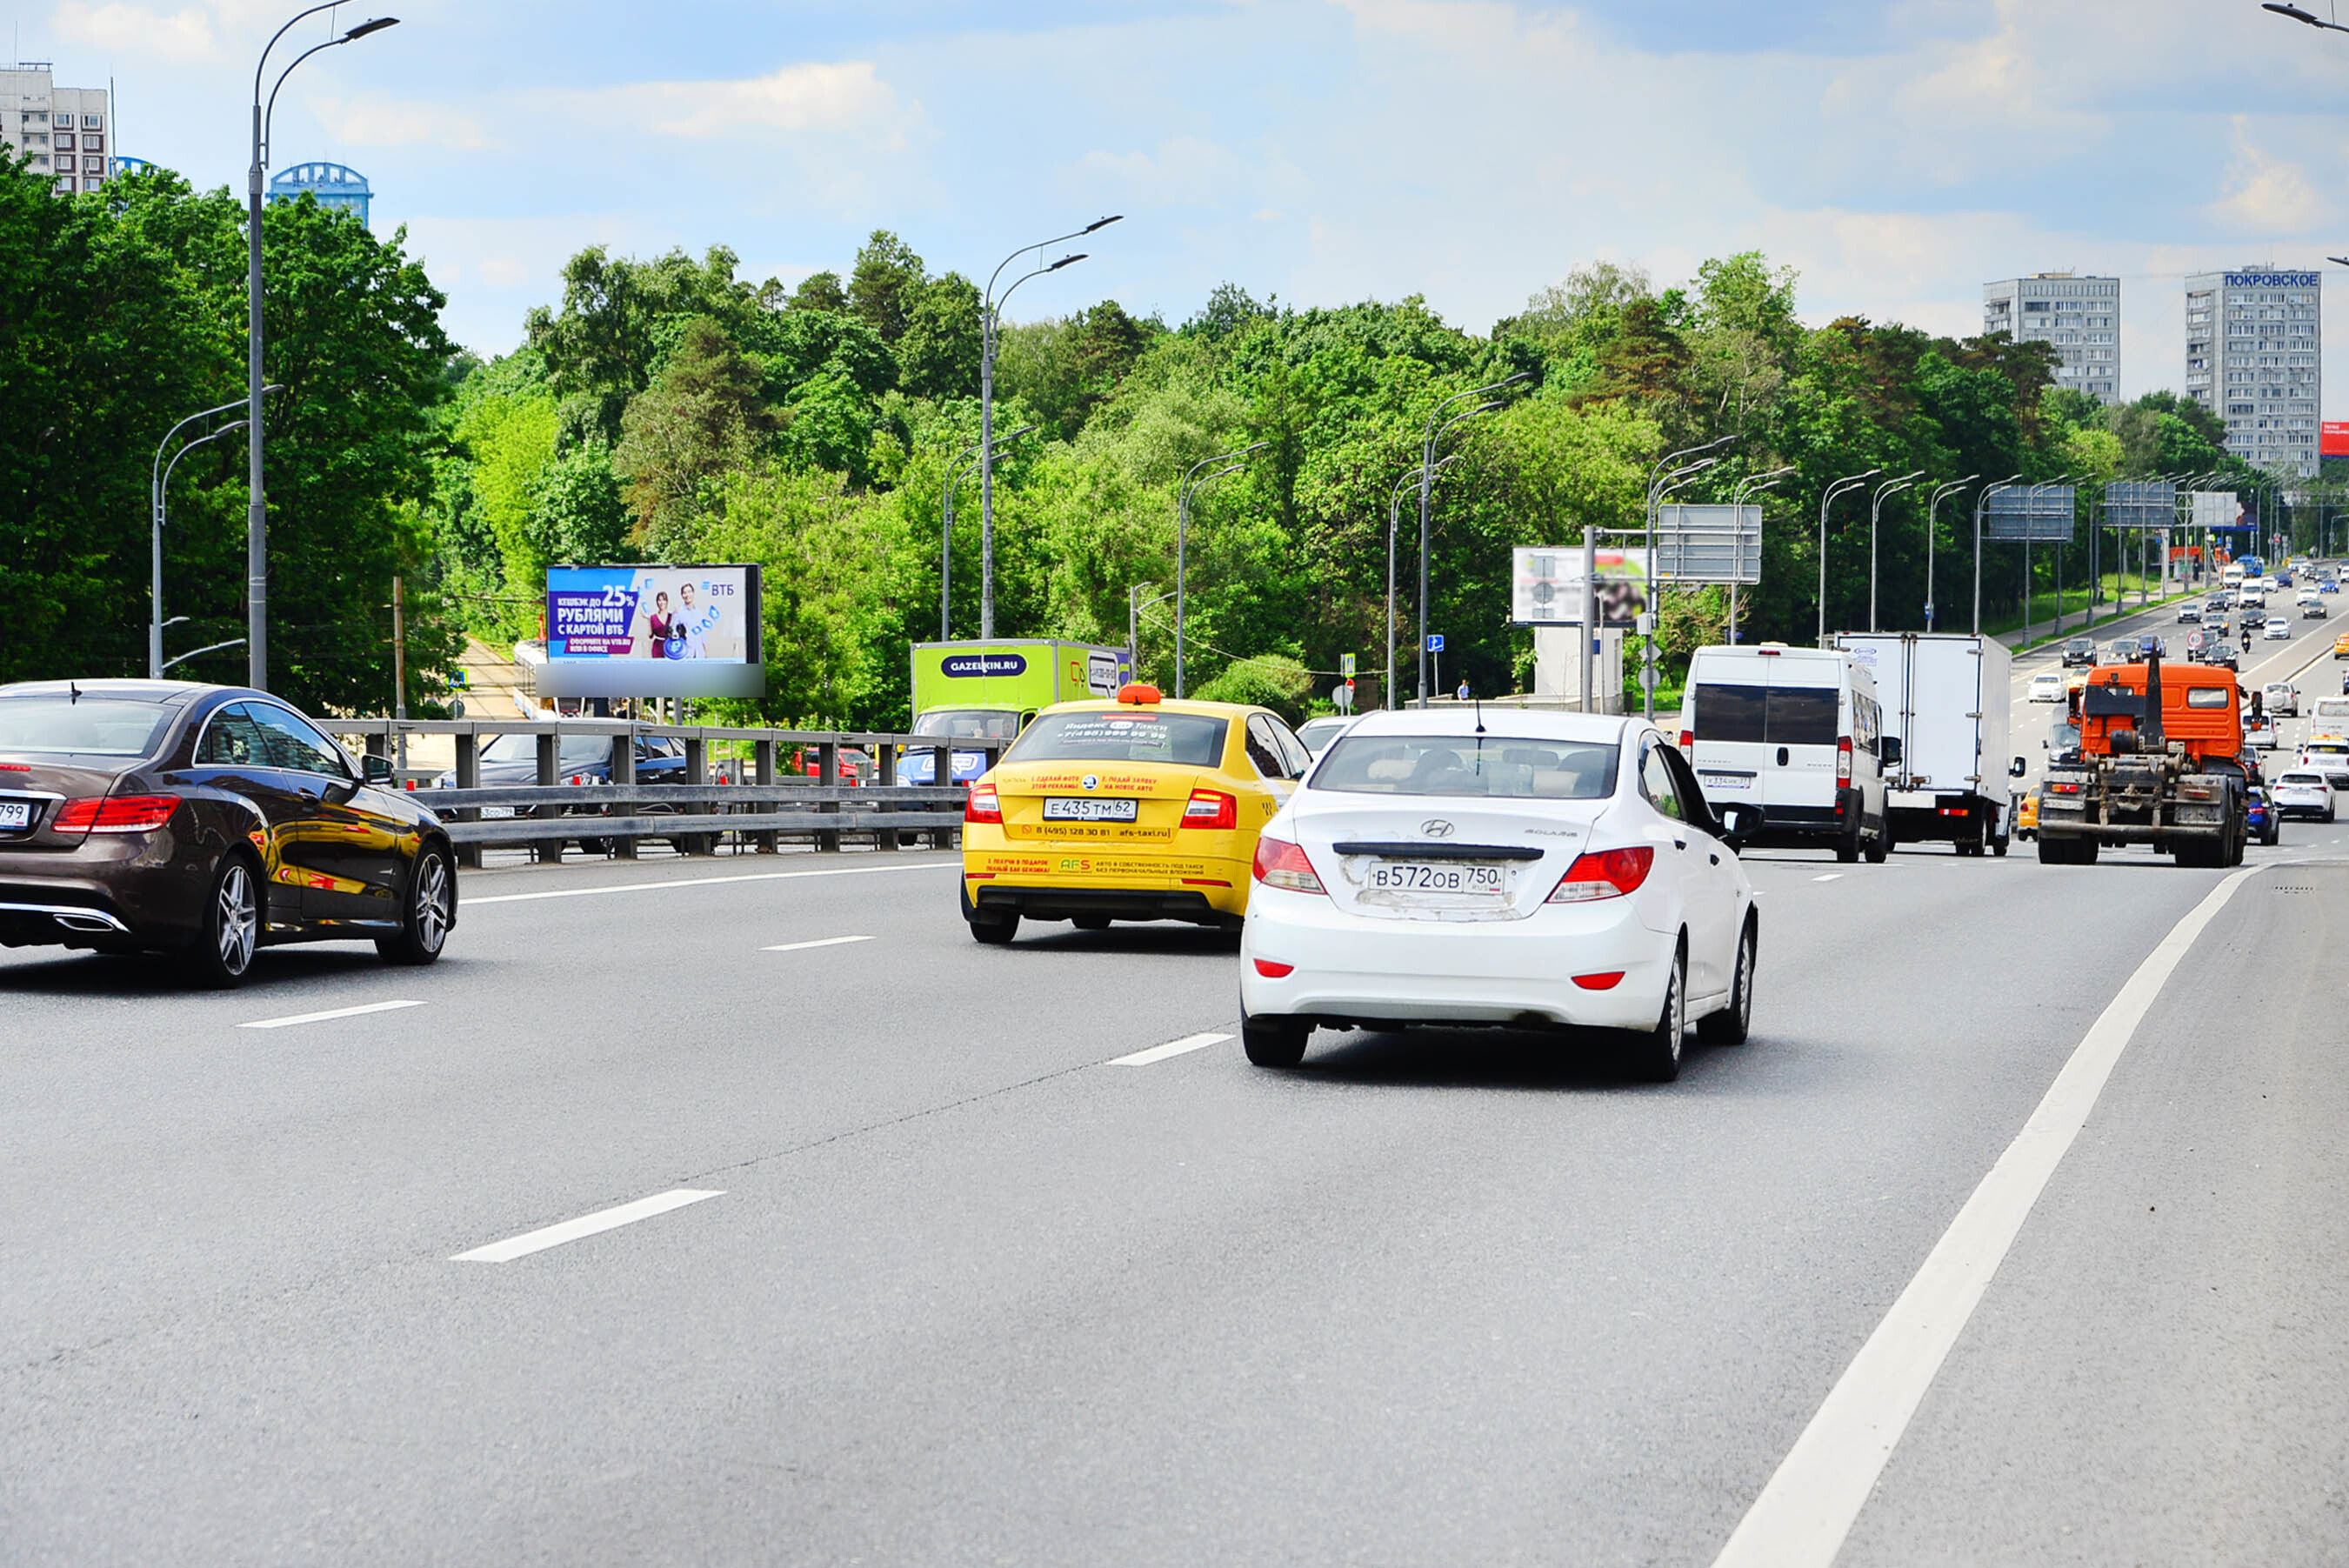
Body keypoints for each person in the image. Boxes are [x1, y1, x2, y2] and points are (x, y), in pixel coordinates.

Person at [642, 591, 677, 658]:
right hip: (657, 647)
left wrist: (677, 614)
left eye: (664, 600)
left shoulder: (671, 616)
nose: (661, 602)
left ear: (667, 602)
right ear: (657, 602)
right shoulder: (653, 617)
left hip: (670, 645)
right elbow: (650, 636)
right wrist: (648, 620)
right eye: (659, 600)